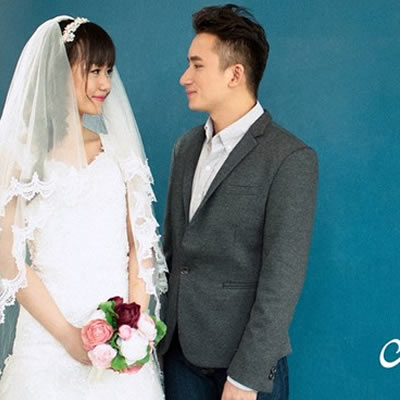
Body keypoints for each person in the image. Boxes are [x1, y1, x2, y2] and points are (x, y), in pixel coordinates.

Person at [0, 16, 167, 399]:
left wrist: (131, 326)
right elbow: (7, 258)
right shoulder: (19, 157)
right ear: (57, 73)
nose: (106, 84)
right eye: (94, 71)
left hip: (118, 339)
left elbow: (141, 248)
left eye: (108, 71)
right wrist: (67, 336)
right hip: (45, 341)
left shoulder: (120, 153)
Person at [160, 4, 318, 400]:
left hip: (244, 368)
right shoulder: (185, 148)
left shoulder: (290, 158)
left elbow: (282, 280)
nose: (184, 77)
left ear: (235, 74)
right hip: (178, 358)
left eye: (197, 65)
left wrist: (246, 378)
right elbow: (171, 252)